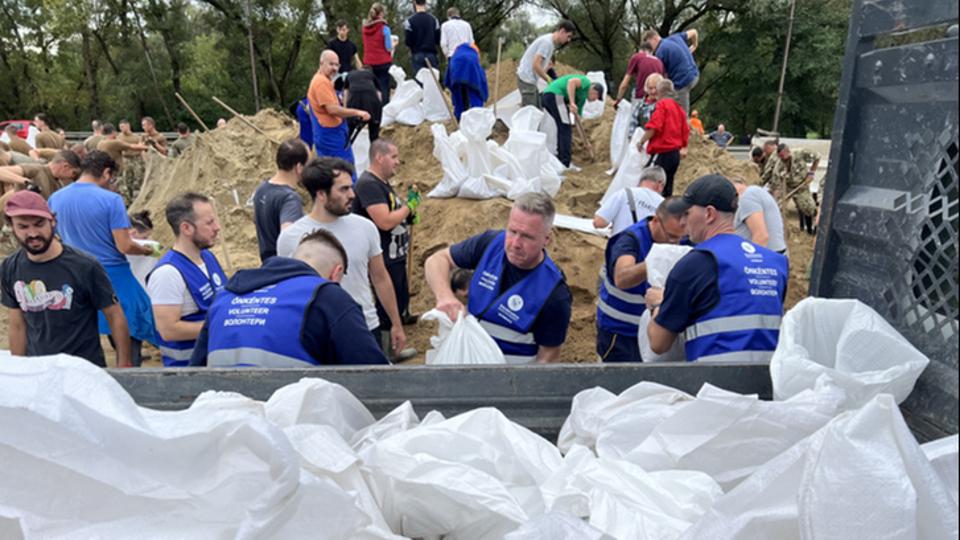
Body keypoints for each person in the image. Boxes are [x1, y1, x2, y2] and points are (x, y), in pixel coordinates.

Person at [191, 229, 388, 367]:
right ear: (335, 274)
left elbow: (193, 373)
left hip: (222, 419)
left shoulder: (225, 296)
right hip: (290, 421)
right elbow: (373, 374)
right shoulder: (328, 296)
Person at [645, 174, 788, 363]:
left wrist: (658, 304)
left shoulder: (697, 262)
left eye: (687, 213)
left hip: (715, 384)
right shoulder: (775, 262)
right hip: (768, 382)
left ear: (709, 214)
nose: (683, 222)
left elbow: (658, 343)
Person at [275, 157, 407, 356]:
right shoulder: (290, 238)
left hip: (364, 327)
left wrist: (396, 323)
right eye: (343, 189)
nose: (353, 195)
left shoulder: (365, 227)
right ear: (321, 194)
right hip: (315, 333)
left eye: (351, 188)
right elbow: (286, 291)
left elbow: (380, 278)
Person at [424, 192, 573, 364]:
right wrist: (445, 296)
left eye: (527, 236)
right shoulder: (490, 245)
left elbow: (548, 357)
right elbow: (436, 261)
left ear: (546, 239)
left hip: (510, 382)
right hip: (466, 361)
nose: (515, 244)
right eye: (512, 231)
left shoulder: (553, 294)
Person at [48, 151, 158, 366]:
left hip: (73, 274)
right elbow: (124, 245)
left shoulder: (55, 198)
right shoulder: (112, 200)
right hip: (113, 274)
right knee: (128, 330)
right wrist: (147, 250)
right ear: (107, 173)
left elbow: (56, 239)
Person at [2, 191, 133, 367]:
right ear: (12, 227)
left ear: (52, 221)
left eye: (39, 224)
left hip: (83, 370)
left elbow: (114, 314)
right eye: (23, 227)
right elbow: (17, 324)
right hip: (39, 370)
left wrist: (124, 364)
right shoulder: (10, 267)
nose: (33, 233)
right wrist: (19, 368)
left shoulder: (85, 266)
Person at [596, 197, 687, 362]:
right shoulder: (630, 239)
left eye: (680, 237)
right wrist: (653, 262)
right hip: (621, 333)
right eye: (671, 236)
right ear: (656, 221)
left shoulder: (681, 239)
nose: (675, 243)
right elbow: (622, 278)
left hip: (655, 331)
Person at [146, 193, 227, 367]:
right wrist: (225, 325)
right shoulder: (168, 273)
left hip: (213, 364)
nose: (217, 227)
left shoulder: (208, 258)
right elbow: (168, 330)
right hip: (187, 372)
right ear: (186, 228)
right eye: (209, 222)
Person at [352, 139, 418, 346]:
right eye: (394, 157)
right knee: (386, 302)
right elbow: (385, 221)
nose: (397, 162)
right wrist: (409, 207)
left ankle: (399, 323)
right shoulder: (369, 185)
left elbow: (392, 213)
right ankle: (388, 349)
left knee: (398, 295)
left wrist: (407, 215)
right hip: (382, 256)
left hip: (394, 254)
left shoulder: (381, 183)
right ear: (379, 158)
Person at [307, 50, 371, 169]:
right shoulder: (321, 83)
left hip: (333, 133)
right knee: (342, 170)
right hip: (330, 136)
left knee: (334, 170)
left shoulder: (325, 80)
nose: (335, 68)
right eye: (331, 64)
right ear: (321, 63)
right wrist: (357, 112)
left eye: (337, 65)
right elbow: (332, 110)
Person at [253, 139, 308, 262]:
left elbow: (256, 221)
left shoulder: (261, 189)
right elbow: (288, 236)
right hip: (284, 267)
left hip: (267, 264)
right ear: (299, 167)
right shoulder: (290, 199)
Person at [637, 79, 689, 197]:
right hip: (675, 154)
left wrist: (642, 141)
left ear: (660, 91)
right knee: (667, 185)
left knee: (654, 185)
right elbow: (685, 130)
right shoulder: (679, 108)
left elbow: (654, 126)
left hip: (662, 152)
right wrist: (684, 146)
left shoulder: (662, 105)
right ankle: (666, 211)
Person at [541, 74, 602, 167]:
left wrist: (586, 143)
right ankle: (565, 162)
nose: (595, 100)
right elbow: (571, 82)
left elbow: (578, 122)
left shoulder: (581, 100)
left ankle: (561, 158)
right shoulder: (586, 82)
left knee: (563, 127)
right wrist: (572, 103)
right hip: (555, 94)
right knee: (565, 128)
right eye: (597, 96)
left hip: (551, 97)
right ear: (594, 90)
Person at [516, 20, 575, 108]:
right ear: (562, 31)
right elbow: (535, 65)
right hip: (526, 79)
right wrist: (549, 80)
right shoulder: (547, 43)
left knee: (538, 111)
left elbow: (539, 65)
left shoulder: (550, 42)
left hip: (530, 80)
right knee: (531, 113)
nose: (569, 40)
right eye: (568, 36)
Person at [593, 165, 667, 235]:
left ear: (641, 180)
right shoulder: (666, 206)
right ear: (660, 185)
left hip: (621, 244)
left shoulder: (624, 193)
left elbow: (598, 222)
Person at [766, 143, 820, 235]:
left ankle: (811, 229)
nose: (783, 160)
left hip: (801, 185)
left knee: (808, 208)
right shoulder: (779, 166)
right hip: (787, 187)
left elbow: (817, 157)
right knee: (777, 208)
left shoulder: (801, 153)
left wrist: (811, 173)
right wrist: (777, 200)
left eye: (784, 157)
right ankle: (779, 231)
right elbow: (776, 186)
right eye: (780, 158)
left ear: (788, 152)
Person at [643, 28, 700, 113]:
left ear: (654, 38)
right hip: (695, 74)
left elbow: (661, 77)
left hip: (682, 82)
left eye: (649, 44)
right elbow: (694, 32)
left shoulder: (660, 52)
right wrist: (694, 45)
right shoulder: (676, 37)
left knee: (681, 113)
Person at [613, 42, 664, 131]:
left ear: (640, 50)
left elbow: (625, 83)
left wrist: (618, 99)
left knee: (635, 127)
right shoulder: (659, 62)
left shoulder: (637, 57)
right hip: (657, 100)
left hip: (640, 98)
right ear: (652, 52)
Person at [731, 178, 787, 254]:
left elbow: (761, 237)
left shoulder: (748, 196)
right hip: (772, 255)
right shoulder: (757, 193)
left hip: (765, 258)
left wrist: (748, 262)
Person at [0, 150, 80, 201]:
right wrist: (27, 182)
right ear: (65, 166)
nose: (73, 178)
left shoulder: (59, 184)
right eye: (73, 173)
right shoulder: (36, 170)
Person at [444, 39, 488, 120]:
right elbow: (482, 80)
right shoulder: (474, 55)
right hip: (470, 70)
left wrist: (451, 85)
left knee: (458, 94)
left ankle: (460, 117)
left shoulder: (456, 53)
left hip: (456, 70)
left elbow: (448, 75)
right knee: (474, 92)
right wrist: (484, 94)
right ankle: (477, 116)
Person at [362, 3, 395, 107]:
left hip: (369, 63)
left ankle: (373, 110)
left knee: (372, 88)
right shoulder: (384, 28)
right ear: (381, 14)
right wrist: (393, 44)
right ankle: (384, 110)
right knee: (384, 87)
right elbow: (388, 47)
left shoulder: (365, 29)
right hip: (383, 61)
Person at [345, 65, 384, 142]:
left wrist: (345, 109)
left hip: (354, 101)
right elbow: (379, 93)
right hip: (372, 102)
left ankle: (343, 149)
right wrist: (378, 109)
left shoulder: (350, 74)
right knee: (374, 136)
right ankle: (375, 149)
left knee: (349, 131)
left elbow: (346, 92)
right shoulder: (371, 75)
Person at [404, 0, 440, 75]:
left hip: (417, 53)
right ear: (425, 3)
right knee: (433, 81)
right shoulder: (434, 20)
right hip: (431, 53)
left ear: (415, 3)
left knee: (420, 82)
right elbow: (437, 39)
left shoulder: (409, 21)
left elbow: (408, 41)